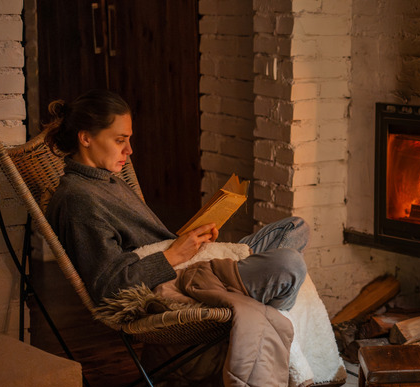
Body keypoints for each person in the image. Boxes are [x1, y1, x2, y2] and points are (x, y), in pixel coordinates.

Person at [44, 89, 308, 310]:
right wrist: (173, 255)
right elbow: (108, 287)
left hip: (191, 263)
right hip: (184, 281)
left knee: (295, 228)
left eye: (129, 139)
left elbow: (149, 241)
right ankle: (268, 322)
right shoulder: (78, 200)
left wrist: (192, 240)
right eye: (119, 140)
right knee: (290, 263)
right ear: (86, 138)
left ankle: (255, 300)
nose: (129, 150)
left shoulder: (106, 179)